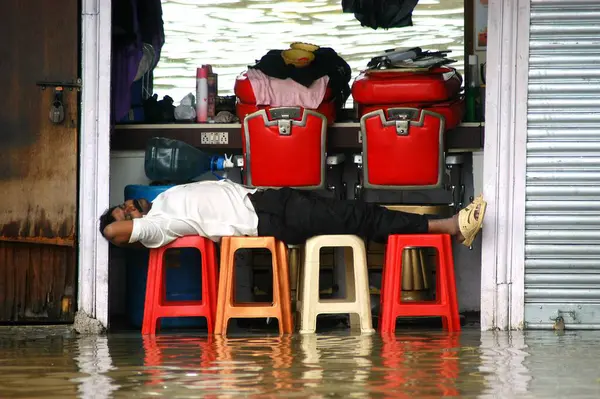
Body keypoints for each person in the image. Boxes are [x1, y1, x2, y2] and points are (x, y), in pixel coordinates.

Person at [100, 179, 486, 249]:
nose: (132, 206)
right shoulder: (155, 228)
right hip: (270, 217)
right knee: (360, 217)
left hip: (271, 200)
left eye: (128, 203)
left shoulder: (163, 200)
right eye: (126, 212)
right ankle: (451, 226)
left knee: (353, 213)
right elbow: (113, 232)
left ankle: (448, 225)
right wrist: (113, 222)